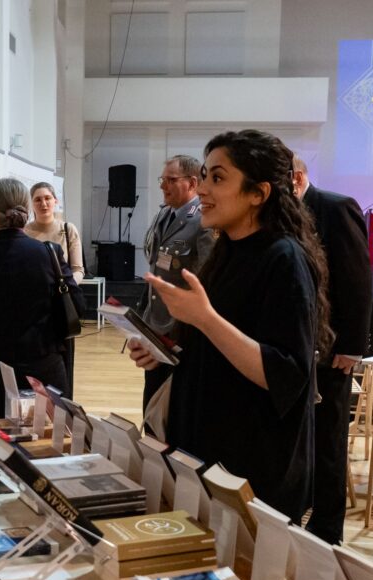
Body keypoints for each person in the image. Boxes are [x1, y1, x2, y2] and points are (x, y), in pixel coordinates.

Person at [128, 130, 333, 522]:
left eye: (217, 178)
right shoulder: (227, 250)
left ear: (259, 193)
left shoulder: (284, 259)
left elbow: (284, 373)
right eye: (204, 176)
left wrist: (204, 317)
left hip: (251, 466)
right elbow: (210, 347)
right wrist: (162, 353)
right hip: (209, 451)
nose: (202, 188)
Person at [0, 178, 84, 418]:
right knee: (47, 443)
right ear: (27, 208)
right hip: (42, 365)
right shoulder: (48, 254)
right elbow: (78, 306)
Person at [293, 156, 373, 544]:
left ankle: (328, 529)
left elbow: (357, 280)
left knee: (328, 440)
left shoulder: (335, 207)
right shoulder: (285, 215)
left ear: (297, 176)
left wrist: (352, 346)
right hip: (297, 347)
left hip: (333, 351)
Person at [139, 155, 216, 413]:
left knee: (173, 408)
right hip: (155, 325)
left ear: (192, 183)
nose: (163, 186)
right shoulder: (164, 214)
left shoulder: (203, 221)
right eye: (163, 180)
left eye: (171, 180)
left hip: (180, 332)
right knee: (152, 403)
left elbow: (205, 280)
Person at [25, 181, 83, 397]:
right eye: (38, 199)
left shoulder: (68, 230)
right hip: (34, 310)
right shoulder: (26, 232)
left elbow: (78, 270)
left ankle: (64, 411)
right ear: (32, 204)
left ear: (55, 201)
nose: (43, 203)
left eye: (47, 198)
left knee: (64, 366)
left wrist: (63, 289)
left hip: (61, 308)